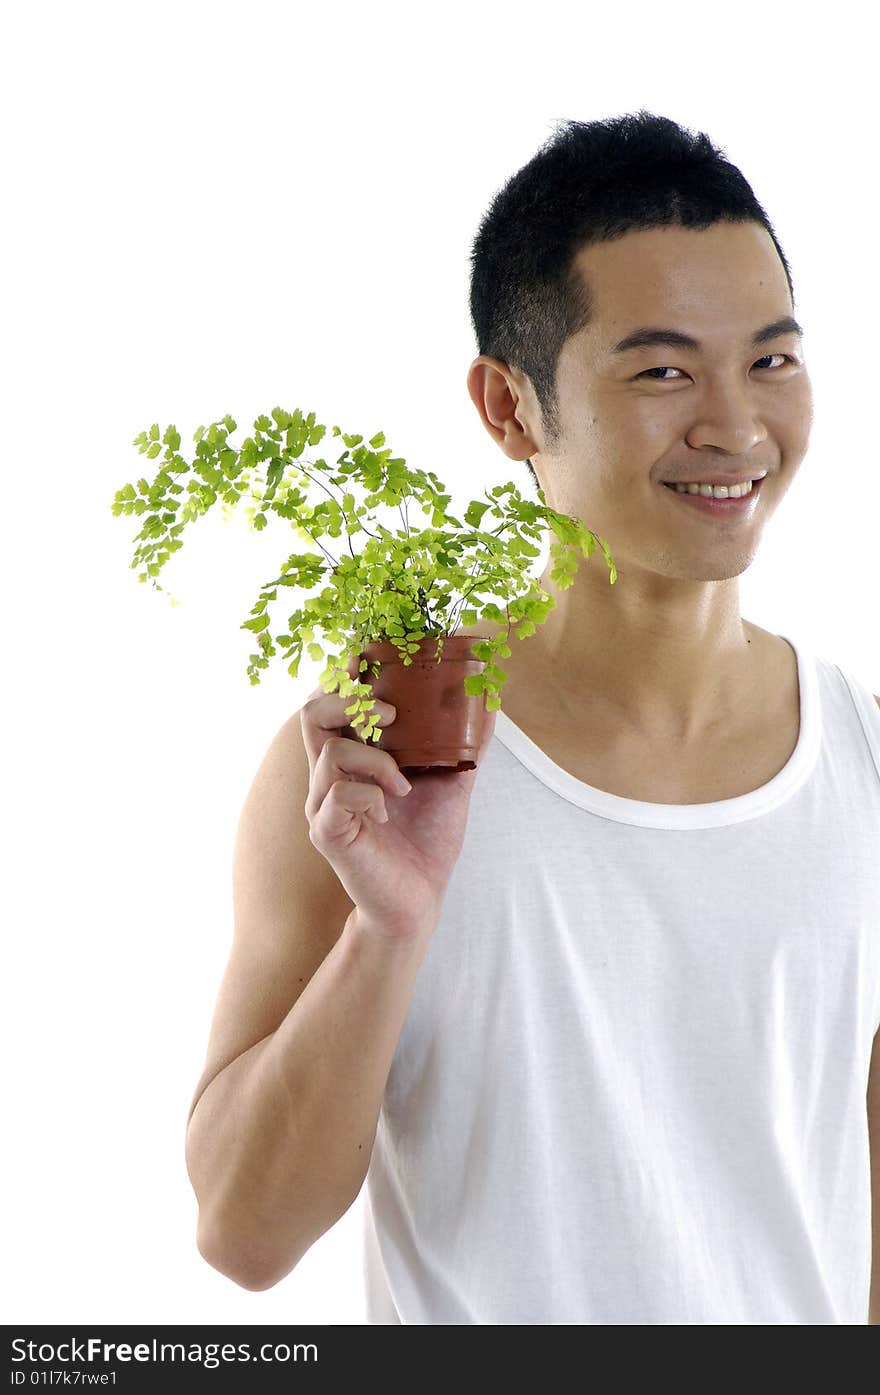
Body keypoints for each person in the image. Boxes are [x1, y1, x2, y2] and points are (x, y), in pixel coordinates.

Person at [184, 110, 880, 1324]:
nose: (734, 425)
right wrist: (387, 930)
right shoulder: (380, 760)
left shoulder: (864, 758)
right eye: (662, 369)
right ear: (508, 408)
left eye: (770, 359)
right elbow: (244, 1235)